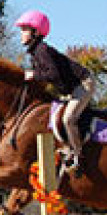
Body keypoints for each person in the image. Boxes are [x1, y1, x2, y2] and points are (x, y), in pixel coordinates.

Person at [15, 10, 95, 172]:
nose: (21, 34)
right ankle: (67, 148)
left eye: (25, 30)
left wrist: (33, 75)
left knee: (68, 119)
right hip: (70, 88)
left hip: (83, 83)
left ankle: (79, 156)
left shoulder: (42, 50)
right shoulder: (35, 52)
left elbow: (52, 74)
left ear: (36, 32)